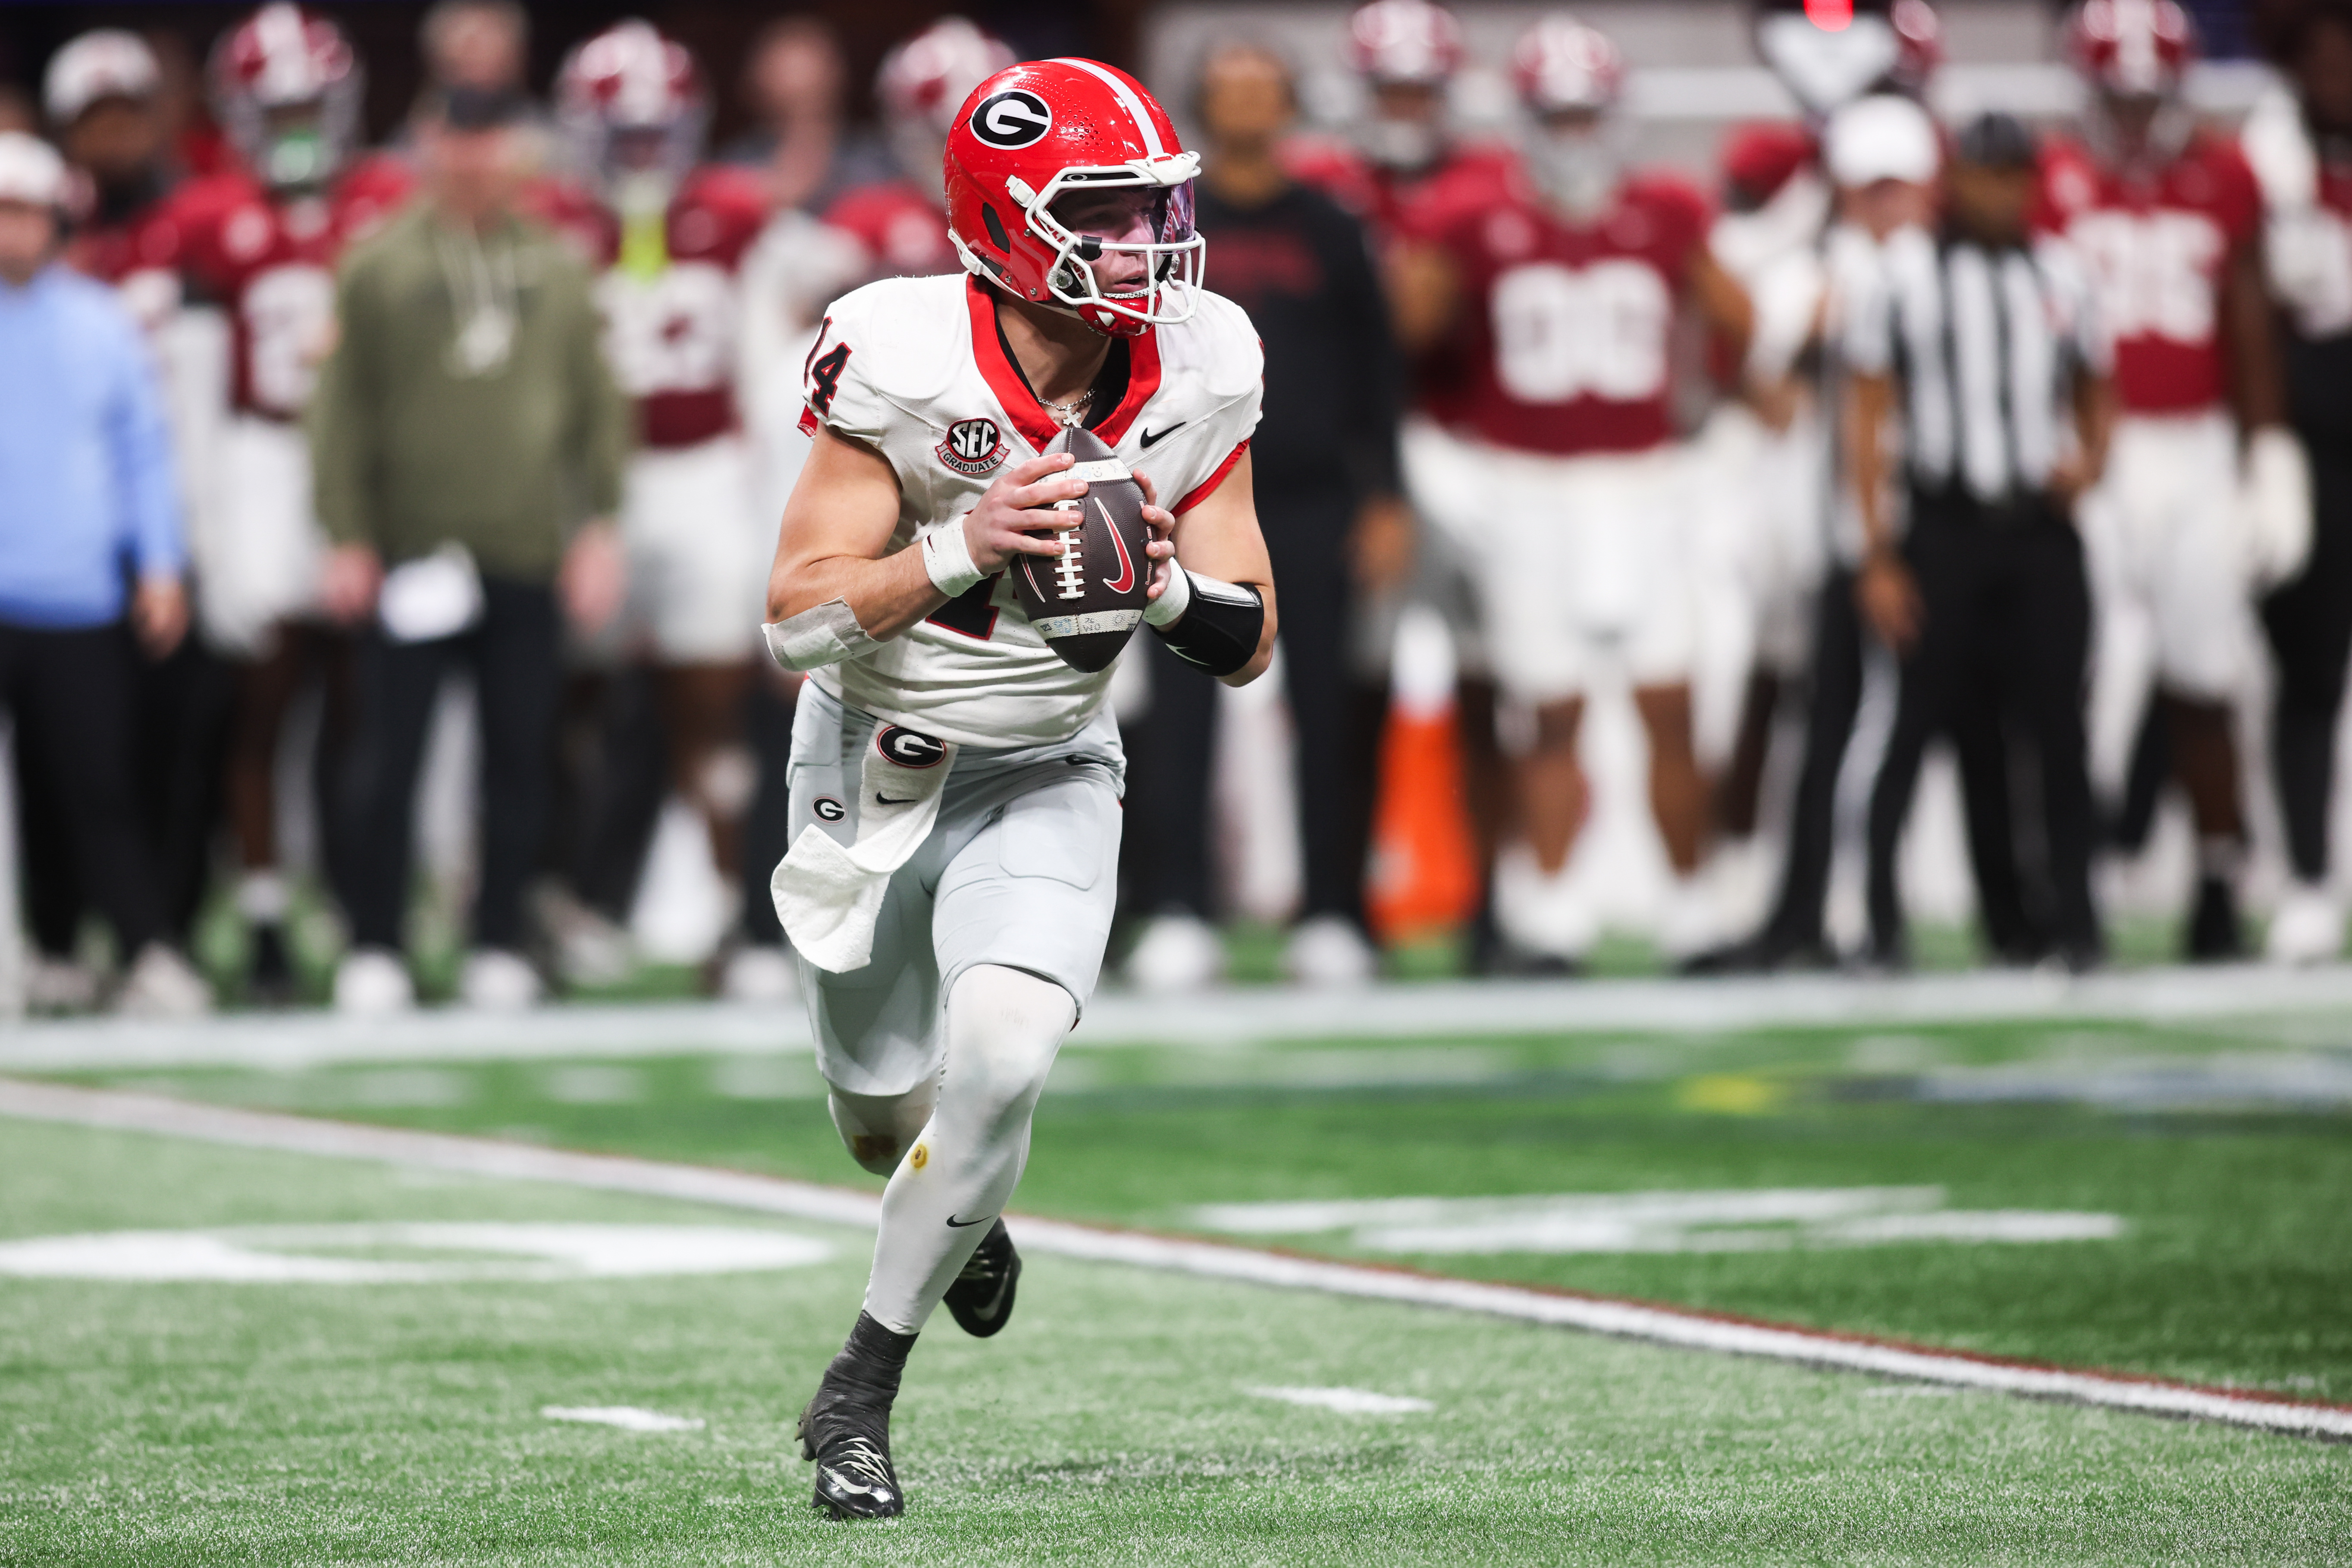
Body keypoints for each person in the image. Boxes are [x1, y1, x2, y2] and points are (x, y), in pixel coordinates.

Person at [765, 57, 1273, 1517]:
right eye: (1104, 216)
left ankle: (857, 1391)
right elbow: (793, 617)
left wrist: (1173, 594)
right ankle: (956, 1203)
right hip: (872, 756)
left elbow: (1248, 633)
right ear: (1004, 220)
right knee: (885, 1121)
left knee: (999, 1056)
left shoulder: (1204, 357)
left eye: (1151, 211)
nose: (1142, 248)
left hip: (1050, 758)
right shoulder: (901, 351)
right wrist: (965, 543)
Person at [1392, 16, 1756, 967]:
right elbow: (1414, 330)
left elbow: (1739, 323)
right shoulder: (1473, 213)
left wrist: (1712, 410)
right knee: (1548, 710)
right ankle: (1551, 916)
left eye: (1588, 114)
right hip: (1526, 488)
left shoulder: (1668, 209)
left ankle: (1694, 911)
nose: (1575, 134)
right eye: (1557, 115)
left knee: (1668, 704)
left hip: (1643, 483)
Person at [308, 85, 630, 1013]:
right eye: (461, 137)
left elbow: (597, 408)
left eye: (494, 139)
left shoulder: (560, 264)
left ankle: (498, 940)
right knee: (390, 758)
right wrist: (346, 534)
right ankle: (376, 941)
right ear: (427, 138)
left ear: (517, 148)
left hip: (527, 548)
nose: (478, 158)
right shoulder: (376, 263)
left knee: (520, 759)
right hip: (414, 549)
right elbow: (341, 412)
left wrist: (600, 528)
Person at [1122, 39, 1407, 988]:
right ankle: (1176, 906)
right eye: (1229, 86)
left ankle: (1333, 909)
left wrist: (1387, 496)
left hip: (1313, 492)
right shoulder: (1155, 223)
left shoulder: (1329, 222)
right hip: (1187, 488)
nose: (1246, 103)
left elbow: (1380, 367)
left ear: (1290, 102)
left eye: (1262, 86)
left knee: (1330, 705)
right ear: (1202, 105)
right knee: (1179, 710)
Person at [147, 5, 415, 1000]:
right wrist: (209, 531)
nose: (298, 126)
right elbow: (190, 384)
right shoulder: (209, 217)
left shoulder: (385, 201)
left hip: (359, 468)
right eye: (279, 108)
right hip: (260, 463)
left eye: (311, 106)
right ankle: (262, 917)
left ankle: (357, 908)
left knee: (361, 710)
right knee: (262, 704)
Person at [2043, 0, 2302, 960]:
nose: (2141, 117)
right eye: (2123, 96)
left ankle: (2218, 877)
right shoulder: (2052, 177)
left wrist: (2268, 449)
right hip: (2095, 452)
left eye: (2154, 97)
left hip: (2194, 445)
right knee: (2083, 675)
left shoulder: (2223, 178)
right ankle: (2078, 883)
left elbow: (2247, 318)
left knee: (2207, 673)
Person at [527, 23, 781, 1000]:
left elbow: (767, 374)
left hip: (705, 477)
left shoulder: (736, 218)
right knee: (561, 707)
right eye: (621, 134)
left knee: (715, 708)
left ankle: (736, 914)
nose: (639, 154)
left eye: (654, 132)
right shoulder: (550, 225)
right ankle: (555, 900)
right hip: (585, 489)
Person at [1847, 112, 2115, 970]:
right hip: (1944, 528)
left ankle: (2073, 922)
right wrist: (1878, 552)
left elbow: (2096, 388)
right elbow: (1867, 413)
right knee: (1922, 726)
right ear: (1952, 179)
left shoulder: (2064, 275)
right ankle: (1881, 922)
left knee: (2059, 731)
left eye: (2015, 175)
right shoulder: (1903, 277)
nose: (2001, 192)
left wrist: (2091, 461)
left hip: (2038, 530)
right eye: (1985, 174)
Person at [1290, 0, 1521, 970]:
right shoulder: (1320, 187)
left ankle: (1500, 905)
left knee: (1491, 682)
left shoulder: (1494, 185)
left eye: (1420, 88)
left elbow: (1440, 323)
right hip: (1361, 463)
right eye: (1392, 87)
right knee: (1353, 689)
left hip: (1478, 446)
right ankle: (1347, 900)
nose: (1406, 106)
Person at [0, 131, 209, 1017]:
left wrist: (160, 565)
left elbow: (144, 454)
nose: (11, 232)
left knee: (95, 784)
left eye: (23, 213)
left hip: (78, 593)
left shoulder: (100, 323)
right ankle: (44, 949)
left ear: (58, 220)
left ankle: (139, 947)